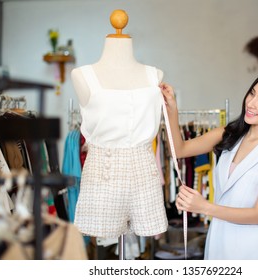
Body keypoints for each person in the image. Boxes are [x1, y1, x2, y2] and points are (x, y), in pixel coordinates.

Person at [160, 69, 258, 259]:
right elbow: (179, 150)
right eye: (252, 93)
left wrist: (204, 207)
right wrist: (172, 108)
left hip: (251, 249)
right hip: (217, 242)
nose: (251, 103)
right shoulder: (230, 134)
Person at [71, 11, 168, 241]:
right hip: (102, 169)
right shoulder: (82, 75)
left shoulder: (154, 74)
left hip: (144, 167)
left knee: (146, 232)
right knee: (105, 236)